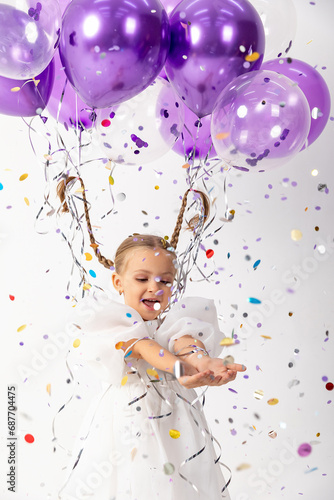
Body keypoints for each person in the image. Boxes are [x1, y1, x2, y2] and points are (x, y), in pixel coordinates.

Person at [55, 176, 246, 500]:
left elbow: (186, 344)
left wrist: (204, 362)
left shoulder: (176, 322)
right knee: (136, 480)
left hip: (178, 415)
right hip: (130, 416)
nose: (154, 287)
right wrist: (183, 372)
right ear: (118, 282)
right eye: (142, 278)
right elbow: (148, 349)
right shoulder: (116, 325)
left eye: (165, 280)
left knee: (183, 478)